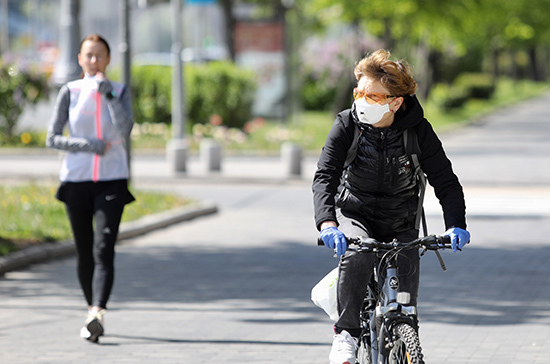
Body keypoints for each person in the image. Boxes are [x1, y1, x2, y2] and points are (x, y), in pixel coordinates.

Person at [312, 49, 470, 364]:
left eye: (371, 95)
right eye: (359, 92)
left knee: (406, 305)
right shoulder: (347, 124)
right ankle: (346, 334)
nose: (360, 100)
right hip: (356, 213)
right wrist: (328, 223)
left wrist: (456, 224)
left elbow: (446, 182)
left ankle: (406, 342)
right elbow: (324, 176)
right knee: (359, 255)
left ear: (395, 102)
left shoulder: (418, 131)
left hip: (402, 220)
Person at [46, 34, 134, 343]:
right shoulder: (69, 91)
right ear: (80, 59)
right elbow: (52, 137)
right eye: (89, 55)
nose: (94, 61)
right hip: (76, 179)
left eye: (99, 56)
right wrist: (86, 145)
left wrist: (110, 97)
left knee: (103, 248)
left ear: (108, 60)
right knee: (84, 252)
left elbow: (125, 129)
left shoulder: (120, 90)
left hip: (111, 178)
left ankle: (97, 311)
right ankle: (90, 311)